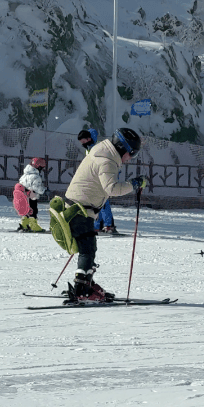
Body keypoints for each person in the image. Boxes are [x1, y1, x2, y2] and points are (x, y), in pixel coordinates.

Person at [50, 128, 146, 302]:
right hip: (79, 210)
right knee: (87, 248)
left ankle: (86, 282)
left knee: (88, 246)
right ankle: (82, 289)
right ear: (124, 149)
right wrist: (133, 184)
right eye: (133, 154)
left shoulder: (103, 152)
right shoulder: (107, 161)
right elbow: (112, 189)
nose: (131, 159)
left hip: (78, 208)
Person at [77, 129, 119, 235]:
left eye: (83, 141)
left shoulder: (97, 148)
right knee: (95, 203)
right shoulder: (89, 149)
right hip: (94, 179)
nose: (83, 144)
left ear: (89, 139)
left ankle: (108, 225)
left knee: (104, 203)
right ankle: (97, 225)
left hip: (101, 178)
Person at [15, 157, 48, 232]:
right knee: (33, 210)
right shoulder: (36, 177)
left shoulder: (24, 175)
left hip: (23, 196)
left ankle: (24, 224)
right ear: (39, 167)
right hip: (32, 197)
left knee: (25, 210)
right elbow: (36, 188)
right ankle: (33, 225)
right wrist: (44, 191)